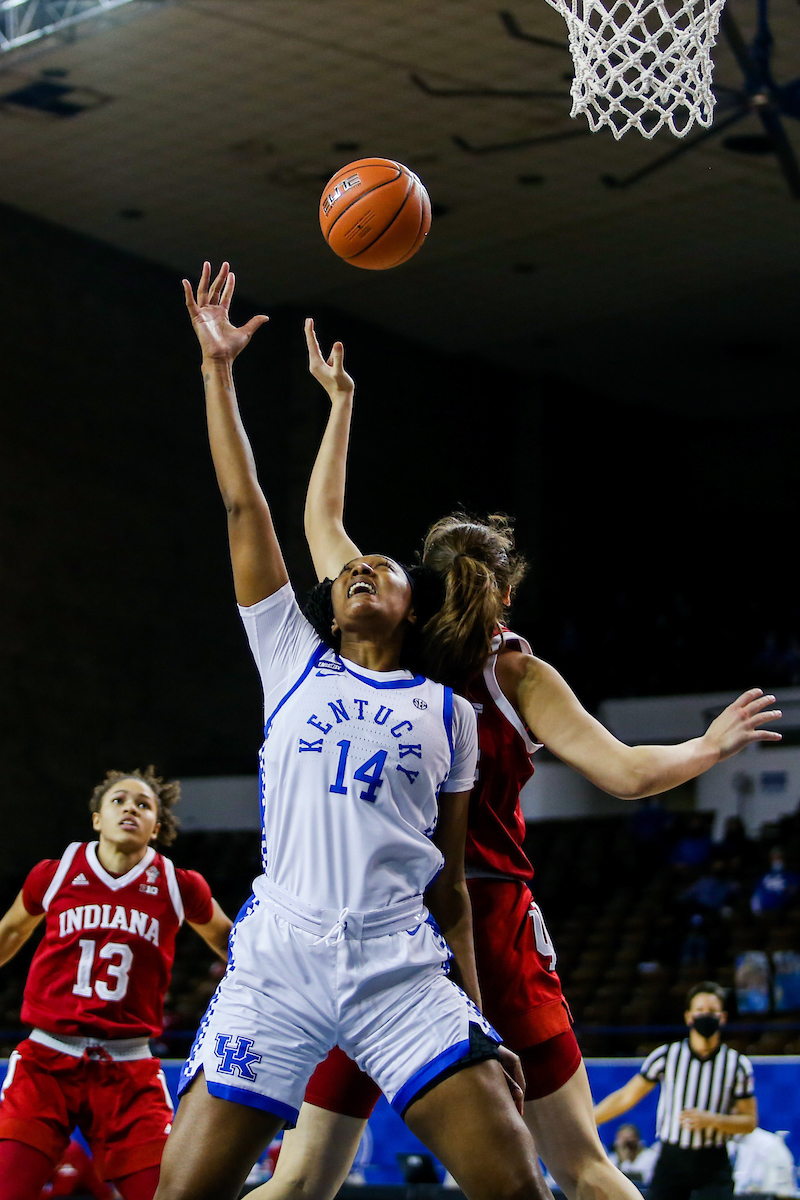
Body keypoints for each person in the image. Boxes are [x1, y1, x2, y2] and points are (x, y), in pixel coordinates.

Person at [246, 319, 781, 1200]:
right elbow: (627, 774)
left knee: (302, 1175)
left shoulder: (389, 629)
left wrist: (341, 405)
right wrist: (710, 746)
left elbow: (320, 521)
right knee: (581, 1167)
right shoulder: (513, 668)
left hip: (372, 922)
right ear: (501, 588)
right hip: (484, 918)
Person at [156, 261, 551, 1200]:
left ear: (414, 608)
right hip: (281, 960)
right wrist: (218, 371)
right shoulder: (290, 655)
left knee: (518, 1189)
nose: (362, 569)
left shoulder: (448, 712)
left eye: (383, 566)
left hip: (398, 965)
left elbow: (450, 888)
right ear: (329, 606)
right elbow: (246, 503)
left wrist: (477, 1016)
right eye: (350, 570)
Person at [0, 767, 233, 1200]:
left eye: (143, 805)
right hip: (47, 1061)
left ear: (156, 827)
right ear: (97, 819)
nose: (131, 808)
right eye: (119, 800)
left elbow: (232, 944)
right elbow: (9, 934)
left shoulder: (179, 885)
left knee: (166, 1194)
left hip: (128, 1068)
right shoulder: (55, 873)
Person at [594, 982, 758, 1200]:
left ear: (723, 1017)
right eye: (700, 1011)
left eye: (712, 1011)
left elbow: (749, 1122)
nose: (705, 1016)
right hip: (672, 1158)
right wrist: (588, 1120)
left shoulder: (737, 1065)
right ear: (689, 1017)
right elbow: (626, 1097)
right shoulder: (666, 1056)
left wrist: (713, 1120)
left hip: (714, 1161)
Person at [750, 846, 799, 915]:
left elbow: (794, 890)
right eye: (773, 858)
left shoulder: (791, 875)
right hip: (764, 912)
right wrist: (756, 910)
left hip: (783, 911)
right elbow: (757, 893)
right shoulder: (764, 875)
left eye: (779, 857)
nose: (776, 860)